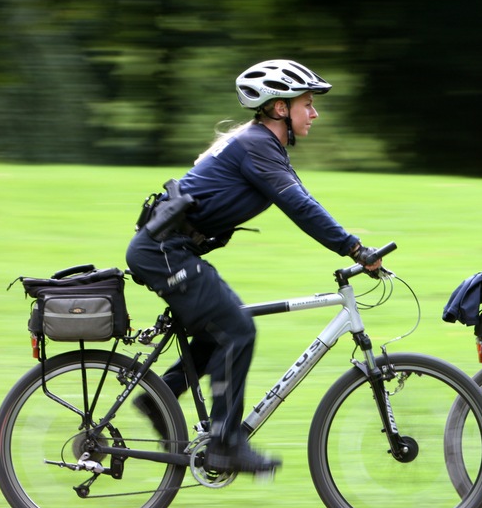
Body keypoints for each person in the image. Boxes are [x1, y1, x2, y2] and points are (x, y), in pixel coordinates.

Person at [126, 59, 382, 475]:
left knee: (225, 324)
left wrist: (351, 246)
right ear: (280, 108)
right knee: (238, 330)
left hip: (171, 250)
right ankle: (226, 443)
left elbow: (301, 198)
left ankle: (159, 396)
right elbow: (299, 206)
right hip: (164, 252)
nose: (314, 113)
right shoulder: (257, 145)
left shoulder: (260, 145)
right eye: (308, 104)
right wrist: (354, 248)